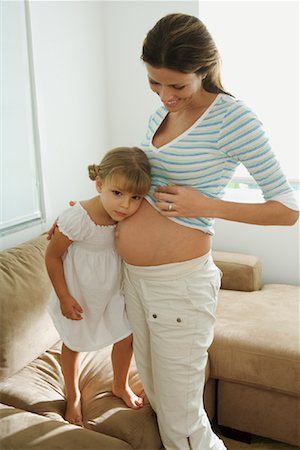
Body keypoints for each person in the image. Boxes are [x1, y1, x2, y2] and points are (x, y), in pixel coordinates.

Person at [48, 12, 299, 450]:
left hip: (178, 286)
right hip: (136, 283)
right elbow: (135, 190)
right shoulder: (156, 119)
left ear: (204, 69)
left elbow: (288, 209)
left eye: (177, 86)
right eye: (154, 83)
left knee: (183, 422)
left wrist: (208, 205)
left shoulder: (234, 119)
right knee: (163, 402)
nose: (165, 96)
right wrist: (88, 212)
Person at [45, 146, 151, 426]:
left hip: (113, 290)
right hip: (79, 292)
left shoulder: (129, 214)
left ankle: (120, 384)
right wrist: (64, 296)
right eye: (117, 194)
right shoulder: (78, 218)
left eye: (135, 197)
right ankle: (74, 395)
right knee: (74, 342)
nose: (126, 205)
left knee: (125, 336)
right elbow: (52, 256)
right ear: (100, 184)